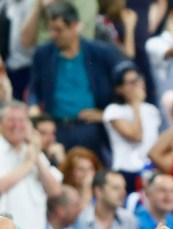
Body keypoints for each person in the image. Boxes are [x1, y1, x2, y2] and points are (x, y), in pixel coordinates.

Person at [28, 0, 124, 157]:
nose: (53, 35)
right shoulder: (44, 54)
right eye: (51, 29)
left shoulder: (99, 52)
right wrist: (33, 107)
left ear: (74, 26)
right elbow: (34, 88)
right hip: (57, 128)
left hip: (90, 129)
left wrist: (106, 114)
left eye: (59, 30)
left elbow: (127, 76)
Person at [0, 101, 63, 229]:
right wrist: (28, 164)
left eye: (22, 121)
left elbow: (55, 190)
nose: (17, 125)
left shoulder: (35, 155)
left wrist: (35, 156)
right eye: (11, 120)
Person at [102, 65, 161, 192]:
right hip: (127, 170)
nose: (137, 85)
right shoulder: (113, 110)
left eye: (139, 80)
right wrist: (135, 104)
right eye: (131, 82)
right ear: (119, 89)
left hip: (151, 169)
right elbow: (136, 136)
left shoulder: (151, 110)